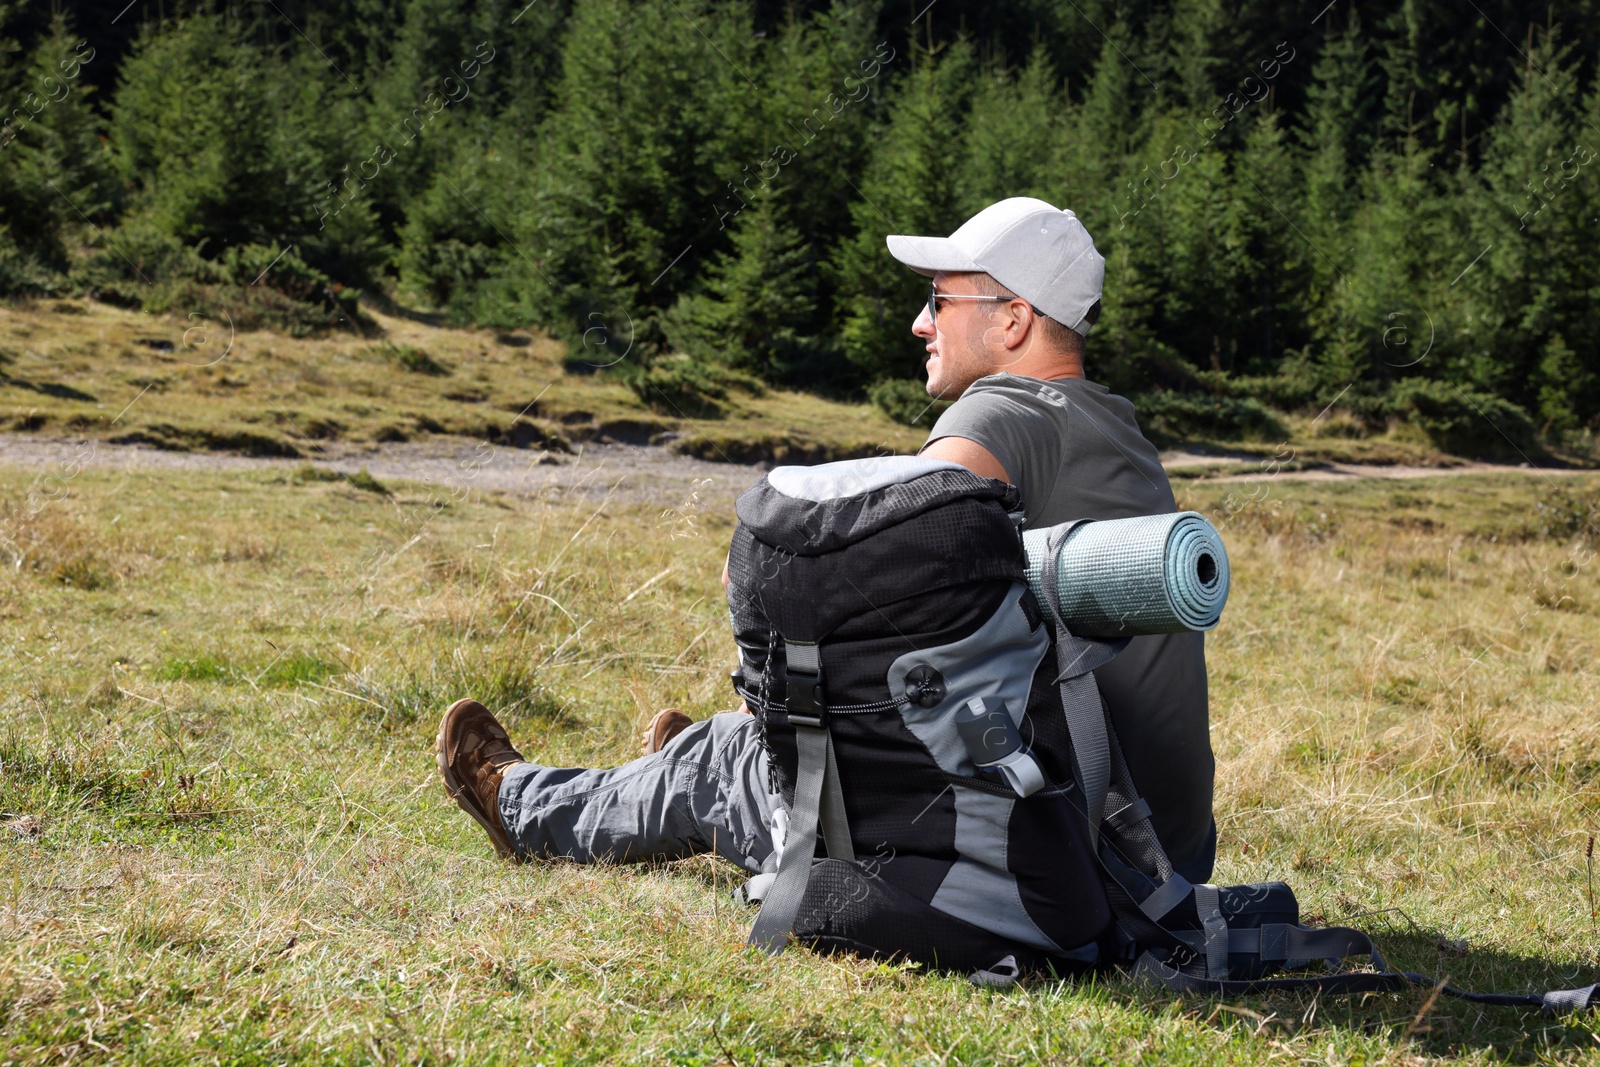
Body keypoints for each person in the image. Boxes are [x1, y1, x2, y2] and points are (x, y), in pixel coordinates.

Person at [436, 196, 1215, 885]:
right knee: (750, 742)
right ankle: (716, 757)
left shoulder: (1000, 416)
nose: (920, 321)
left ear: (1012, 321)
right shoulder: (1115, 427)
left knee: (723, 763)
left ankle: (523, 802)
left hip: (1055, 854)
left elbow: (859, 561)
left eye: (940, 299)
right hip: (1163, 856)